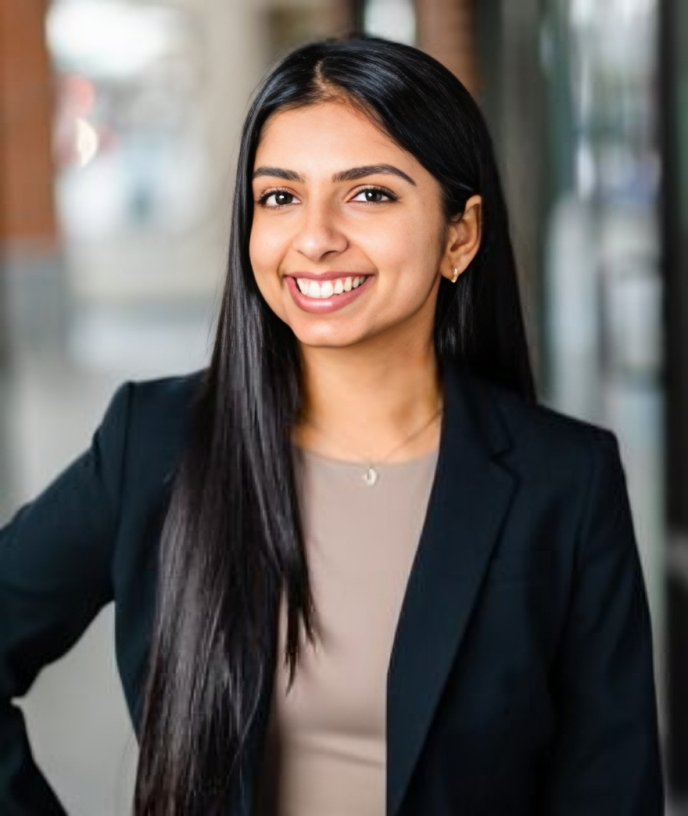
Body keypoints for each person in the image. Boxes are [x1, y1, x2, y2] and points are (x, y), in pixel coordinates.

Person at [0, 35, 663, 816]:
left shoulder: (565, 480)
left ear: (461, 234)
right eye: (279, 197)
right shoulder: (153, 444)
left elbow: (610, 792)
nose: (314, 238)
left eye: (369, 194)